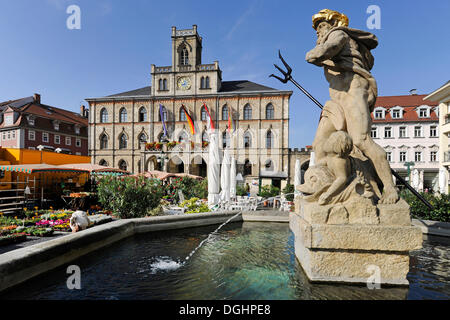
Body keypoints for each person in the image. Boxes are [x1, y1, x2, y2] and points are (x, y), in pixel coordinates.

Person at [305, 9, 398, 204]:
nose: (318, 31)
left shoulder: (339, 35)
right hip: (337, 100)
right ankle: (332, 184)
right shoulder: (332, 39)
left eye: (321, 26)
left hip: (353, 92)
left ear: (334, 25)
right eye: (317, 28)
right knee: (320, 145)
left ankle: (390, 188)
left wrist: (313, 53)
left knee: (362, 140)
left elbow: (325, 51)